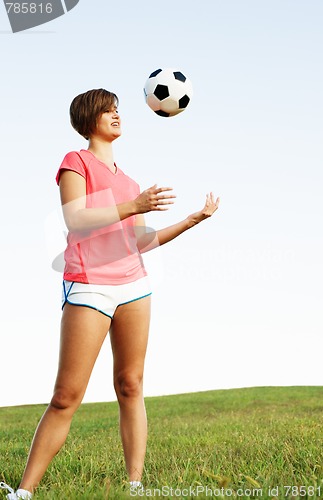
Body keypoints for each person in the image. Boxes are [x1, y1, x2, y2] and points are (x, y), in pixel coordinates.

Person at [0, 88, 219, 499]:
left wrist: (192, 220)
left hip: (134, 286)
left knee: (131, 385)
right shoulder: (75, 161)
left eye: (118, 109)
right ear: (89, 117)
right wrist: (133, 206)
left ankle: (135, 486)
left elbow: (141, 242)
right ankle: (24, 492)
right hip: (89, 286)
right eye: (108, 109)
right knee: (66, 396)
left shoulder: (131, 182)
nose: (117, 114)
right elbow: (76, 219)